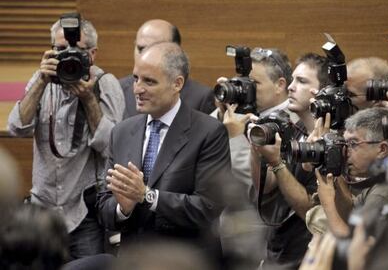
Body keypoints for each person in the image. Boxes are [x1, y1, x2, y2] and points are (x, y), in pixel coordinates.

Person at [97, 42, 231, 261]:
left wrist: (147, 196)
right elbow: (104, 205)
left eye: (149, 81)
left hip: (187, 261)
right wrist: (123, 208)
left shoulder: (209, 132)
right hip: (135, 260)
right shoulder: (121, 132)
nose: (137, 89)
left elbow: (208, 207)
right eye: (136, 78)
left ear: (177, 83)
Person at [7, 16, 125, 259]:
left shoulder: (106, 84)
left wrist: (88, 98)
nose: (67, 58)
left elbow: (112, 147)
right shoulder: (42, 80)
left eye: (76, 51)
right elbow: (16, 127)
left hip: (83, 214)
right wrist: (41, 81)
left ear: (92, 54)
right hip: (43, 211)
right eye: (60, 50)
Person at [211, 47, 294, 266]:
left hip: (257, 239)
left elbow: (249, 187)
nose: (245, 90)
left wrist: (234, 136)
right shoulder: (241, 115)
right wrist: (221, 112)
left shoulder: (290, 122)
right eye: (242, 83)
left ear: (280, 85)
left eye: (253, 84)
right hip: (221, 230)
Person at [250, 53, 330, 268]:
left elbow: (310, 211)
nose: (291, 87)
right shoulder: (296, 130)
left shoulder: (332, 142)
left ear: (320, 92)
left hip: (308, 253)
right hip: (278, 247)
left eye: (302, 81)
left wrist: (277, 164)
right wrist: (256, 148)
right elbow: (265, 188)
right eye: (293, 79)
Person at [316, 108, 388, 237]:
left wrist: (328, 204)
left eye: (352, 144)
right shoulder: (381, 179)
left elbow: (358, 248)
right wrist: (333, 172)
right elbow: (351, 215)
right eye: (344, 144)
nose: (344, 152)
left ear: (382, 149)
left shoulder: (384, 191)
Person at [120, 19, 215, 118]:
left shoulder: (201, 97)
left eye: (157, 48)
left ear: (176, 50)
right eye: (141, 48)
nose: (147, 55)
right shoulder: (118, 89)